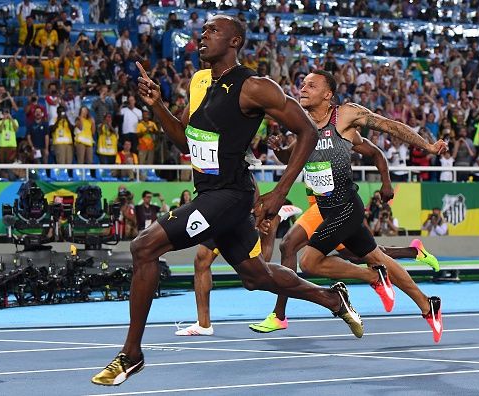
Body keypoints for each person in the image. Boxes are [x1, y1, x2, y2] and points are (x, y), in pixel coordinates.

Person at [92, 15, 363, 386]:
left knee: (144, 247)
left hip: (230, 196)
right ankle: (332, 299)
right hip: (212, 194)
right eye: (201, 31)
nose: (202, 36)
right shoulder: (208, 88)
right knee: (256, 276)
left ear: (235, 41)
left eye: (212, 31)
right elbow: (186, 144)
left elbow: (307, 133)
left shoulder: (254, 86)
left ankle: (132, 354)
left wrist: (280, 191)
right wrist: (157, 106)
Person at [248, 71, 446, 342]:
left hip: (346, 207)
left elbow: (391, 126)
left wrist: (428, 146)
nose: (303, 88)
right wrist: (279, 149)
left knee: (309, 261)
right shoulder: (304, 125)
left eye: (311, 85)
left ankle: (373, 278)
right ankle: (427, 305)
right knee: (379, 257)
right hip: (326, 209)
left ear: (328, 94)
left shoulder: (345, 116)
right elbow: (292, 154)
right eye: (302, 84)